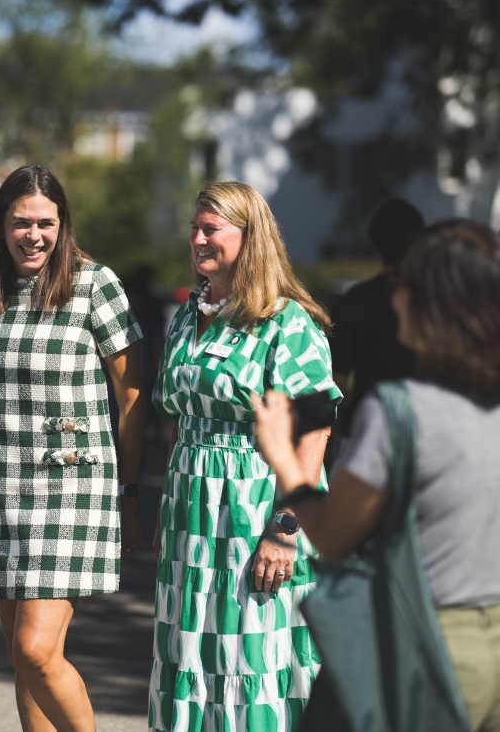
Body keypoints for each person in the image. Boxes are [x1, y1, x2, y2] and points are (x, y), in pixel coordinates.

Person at [254, 220, 500, 732]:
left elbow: (336, 537)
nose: (395, 298)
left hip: (426, 647)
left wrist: (283, 458)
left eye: (405, 286)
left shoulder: (399, 411)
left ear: (437, 303)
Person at [0, 164, 146, 732]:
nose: (33, 235)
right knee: (23, 658)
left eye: (45, 223)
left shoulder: (95, 283)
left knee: (37, 650)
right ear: (0, 226)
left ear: (63, 225)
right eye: (20, 222)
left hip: (71, 489)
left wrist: (128, 493)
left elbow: (132, 392)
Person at [149, 180, 341, 732]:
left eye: (212, 229)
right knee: (189, 649)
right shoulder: (189, 314)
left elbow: (315, 429)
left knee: (249, 653)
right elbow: (181, 421)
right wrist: (168, 506)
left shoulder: (286, 321)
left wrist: (284, 528)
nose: (198, 239)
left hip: (257, 504)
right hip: (192, 509)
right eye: (195, 228)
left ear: (249, 236)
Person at [328, 199, 424, 438]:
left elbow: (334, 384)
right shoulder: (437, 299)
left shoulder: (354, 301)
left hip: (365, 431)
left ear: (373, 245)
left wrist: (324, 438)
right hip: (426, 430)